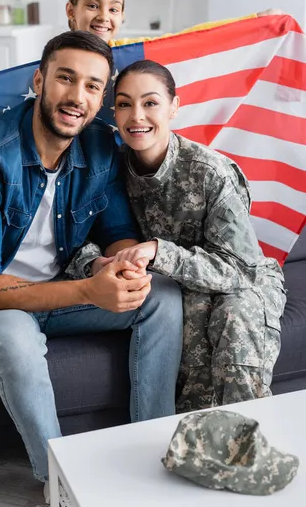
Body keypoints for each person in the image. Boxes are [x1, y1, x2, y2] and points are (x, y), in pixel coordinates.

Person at [0, 32, 183, 504]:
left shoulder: (101, 147)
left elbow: (118, 230)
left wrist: (126, 268)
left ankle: (153, 452)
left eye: (92, 87)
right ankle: (61, 482)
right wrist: (90, 291)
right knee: (17, 340)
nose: (77, 97)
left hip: (63, 290)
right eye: (66, 79)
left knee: (163, 298)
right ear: (40, 80)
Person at [83, 59, 286, 413]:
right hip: (174, 289)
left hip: (242, 281)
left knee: (235, 321)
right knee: (184, 322)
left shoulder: (210, 171)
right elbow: (80, 238)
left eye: (150, 103)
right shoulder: (107, 171)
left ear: (174, 106)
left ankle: (251, 447)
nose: (137, 117)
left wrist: (159, 252)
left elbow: (240, 270)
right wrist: (98, 263)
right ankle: (189, 451)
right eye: (125, 104)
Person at [0, 0, 282, 110]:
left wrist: (254, 24)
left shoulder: (132, 59)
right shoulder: (49, 62)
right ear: (71, 9)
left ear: (122, 17)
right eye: (92, 5)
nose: (102, 17)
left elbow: (196, 41)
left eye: (113, 9)